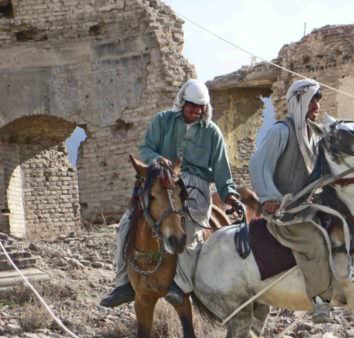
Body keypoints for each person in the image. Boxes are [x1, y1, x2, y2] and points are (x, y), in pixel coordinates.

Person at [100, 79, 248, 307]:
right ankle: (123, 284)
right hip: (161, 181)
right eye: (192, 106)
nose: (196, 111)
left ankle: (180, 285)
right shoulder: (162, 121)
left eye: (201, 107)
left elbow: (221, 170)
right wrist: (156, 159)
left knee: (189, 229)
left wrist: (230, 195)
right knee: (127, 223)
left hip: (196, 186)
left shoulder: (212, 133)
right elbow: (146, 149)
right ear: (182, 102)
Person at [249, 78, 333, 323]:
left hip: (310, 206)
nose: (317, 105)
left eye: (318, 99)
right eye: (313, 100)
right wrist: (270, 197)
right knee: (315, 240)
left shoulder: (316, 134)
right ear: (300, 102)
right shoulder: (280, 132)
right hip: (285, 212)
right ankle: (320, 300)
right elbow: (258, 165)